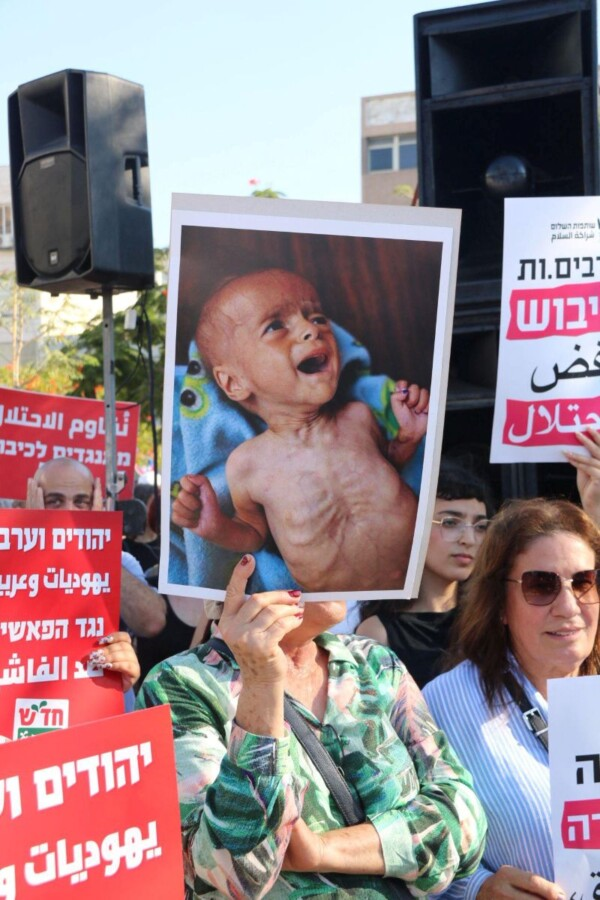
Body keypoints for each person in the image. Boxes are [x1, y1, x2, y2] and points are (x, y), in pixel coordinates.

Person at [136, 554, 487, 899]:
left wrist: (323, 851)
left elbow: (466, 823)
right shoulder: (180, 685)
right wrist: (260, 683)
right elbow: (232, 871)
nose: (338, 564)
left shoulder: (373, 662)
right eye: (301, 555)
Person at [172, 267, 429, 593]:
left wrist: (407, 438)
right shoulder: (248, 464)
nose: (311, 329)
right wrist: (215, 527)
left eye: (318, 318)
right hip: (336, 608)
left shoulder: (358, 417)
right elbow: (254, 535)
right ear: (234, 382)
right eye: (275, 326)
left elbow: (388, 469)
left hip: (419, 583)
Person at [422, 497, 600, 899]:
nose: (568, 606)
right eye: (541, 585)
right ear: (500, 605)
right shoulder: (445, 704)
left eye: (583, 582)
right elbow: (415, 849)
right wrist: (476, 889)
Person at [356, 460, 494, 687]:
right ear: (412, 526)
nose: (469, 539)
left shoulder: (492, 619)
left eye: (480, 526)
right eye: (450, 523)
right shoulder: (378, 633)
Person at [27, 458, 167, 639]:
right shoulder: (8, 561)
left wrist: (98, 551)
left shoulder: (121, 561)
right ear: (33, 500)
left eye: (81, 502)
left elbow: (152, 622)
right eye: (54, 501)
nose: (70, 510)